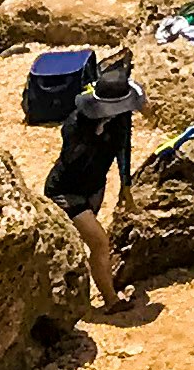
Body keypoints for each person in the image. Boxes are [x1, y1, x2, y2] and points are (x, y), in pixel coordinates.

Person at [44, 53, 145, 308]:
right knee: (100, 242)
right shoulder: (76, 124)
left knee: (88, 244)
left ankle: (89, 291)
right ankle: (111, 302)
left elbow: (124, 148)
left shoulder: (121, 118)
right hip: (66, 191)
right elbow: (71, 158)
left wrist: (126, 185)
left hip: (94, 187)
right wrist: (96, 135)